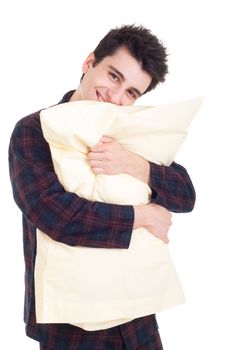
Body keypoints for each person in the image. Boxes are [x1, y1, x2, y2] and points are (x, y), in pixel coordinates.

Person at [8, 24, 195, 350]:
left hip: (137, 320)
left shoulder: (127, 130)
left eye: (132, 93)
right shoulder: (34, 131)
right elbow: (57, 217)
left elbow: (185, 194)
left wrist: (133, 164)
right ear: (89, 62)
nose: (116, 97)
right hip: (70, 329)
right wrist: (146, 215)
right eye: (114, 76)